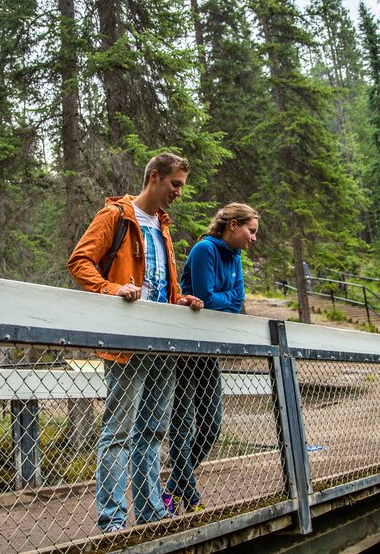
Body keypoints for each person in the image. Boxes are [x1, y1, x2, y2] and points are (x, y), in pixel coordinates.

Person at [67, 152, 204, 533]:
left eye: (182, 186)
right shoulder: (116, 216)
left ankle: (150, 514)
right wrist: (111, 289)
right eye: (175, 184)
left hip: (161, 342)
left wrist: (180, 299)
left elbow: (158, 286)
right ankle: (112, 521)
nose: (179, 192)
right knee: (119, 431)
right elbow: (80, 262)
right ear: (155, 178)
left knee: (154, 431)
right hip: (126, 342)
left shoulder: (162, 227)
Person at [164, 203, 259, 514]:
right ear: (232, 225)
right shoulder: (205, 249)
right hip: (184, 349)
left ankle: (171, 489)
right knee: (181, 425)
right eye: (250, 230)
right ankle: (190, 498)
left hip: (210, 350)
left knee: (211, 425)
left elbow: (237, 302)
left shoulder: (235, 257)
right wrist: (224, 299)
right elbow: (205, 297)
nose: (253, 238)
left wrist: (224, 300)